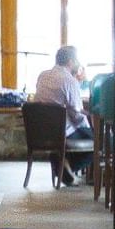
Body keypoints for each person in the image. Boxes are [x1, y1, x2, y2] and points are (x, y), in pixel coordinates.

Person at [33, 45, 93, 184]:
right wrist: (89, 120)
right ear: (71, 62)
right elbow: (76, 114)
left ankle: (63, 162)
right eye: (76, 60)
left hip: (40, 131)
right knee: (100, 142)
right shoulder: (70, 81)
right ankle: (67, 167)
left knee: (91, 135)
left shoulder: (42, 75)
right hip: (61, 133)